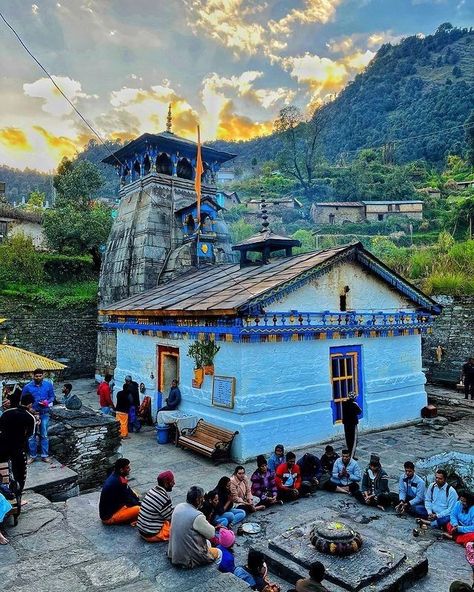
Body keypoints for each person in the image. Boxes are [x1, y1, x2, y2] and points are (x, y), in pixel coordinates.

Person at [168, 485, 222, 568]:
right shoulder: (197, 516)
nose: (204, 500)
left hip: (174, 553)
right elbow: (211, 534)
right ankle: (210, 572)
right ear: (197, 500)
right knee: (219, 552)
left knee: (207, 543)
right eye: (202, 498)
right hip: (187, 559)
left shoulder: (178, 506)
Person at [0, 393, 36, 496]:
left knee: (2, 470)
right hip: (18, 448)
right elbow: (30, 434)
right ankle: (17, 496)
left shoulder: (7, 413)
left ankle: (4, 493)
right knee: (19, 474)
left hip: (2, 446)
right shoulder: (30, 417)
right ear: (30, 405)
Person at [22, 369, 55, 463]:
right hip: (32, 414)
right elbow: (23, 401)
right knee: (31, 435)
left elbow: (52, 397)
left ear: (43, 375)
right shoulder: (27, 387)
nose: (38, 378)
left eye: (40, 376)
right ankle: (32, 456)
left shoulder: (48, 385)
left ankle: (45, 455)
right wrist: (29, 409)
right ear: (33, 376)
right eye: (36, 376)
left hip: (44, 413)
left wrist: (47, 402)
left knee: (44, 434)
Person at [99, 458, 140, 525]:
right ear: (121, 470)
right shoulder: (119, 483)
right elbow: (128, 499)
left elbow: (128, 491)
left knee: (134, 493)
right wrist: (139, 503)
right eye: (127, 468)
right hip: (108, 517)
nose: (129, 469)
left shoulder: (115, 475)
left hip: (113, 508)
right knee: (139, 509)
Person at [137, 470, 174, 542]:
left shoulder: (152, 490)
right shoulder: (164, 498)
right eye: (172, 482)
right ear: (166, 484)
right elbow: (171, 518)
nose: (174, 483)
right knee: (177, 530)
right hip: (150, 534)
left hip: (141, 530)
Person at [341, 392, 361, 460]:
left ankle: (349, 453)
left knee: (348, 439)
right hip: (352, 424)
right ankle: (351, 456)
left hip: (346, 424)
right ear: (354, 398)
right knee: (354, 440)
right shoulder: (354, 405)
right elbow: (359, 411)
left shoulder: (345, 404)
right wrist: (356, 404)